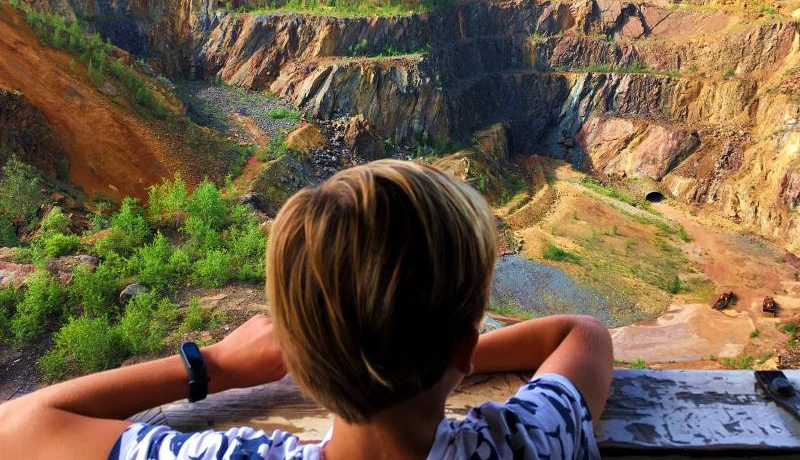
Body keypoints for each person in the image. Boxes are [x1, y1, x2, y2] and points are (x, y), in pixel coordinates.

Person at [0, 159, 613, 459]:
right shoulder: (525, 445)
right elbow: (581, 334)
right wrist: (442, 349)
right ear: (461, 344)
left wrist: (211, 365)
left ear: (297, 353)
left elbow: (19, 426)